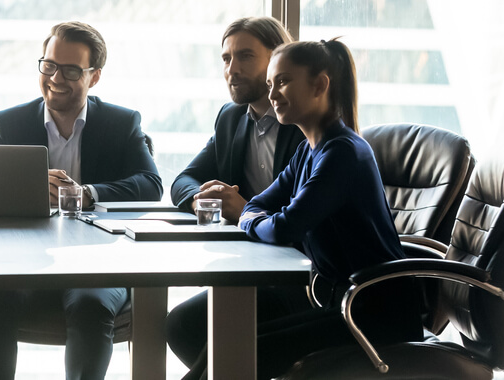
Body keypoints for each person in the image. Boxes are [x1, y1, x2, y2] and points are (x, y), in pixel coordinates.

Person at [180, 38, 424, 380]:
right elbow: (265, 204)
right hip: (338, 303)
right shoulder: (310, 150)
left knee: (232, 354)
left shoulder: (342, 154)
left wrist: (247, 216)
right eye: (270, 84)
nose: (273, 93)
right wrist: (254, 213)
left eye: (282, 82)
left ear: (320, 84)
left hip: (373, 314)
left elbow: (284, 227)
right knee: (212, 342)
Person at [0, 21, 162, 380]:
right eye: (49, 65)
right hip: (22, 260)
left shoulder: (122, 123)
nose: (56, 77)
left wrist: (87, 194)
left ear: (94, 77)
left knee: (91, 306)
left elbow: (151, 184)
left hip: (97, 263)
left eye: (71, 70)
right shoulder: (9, 123)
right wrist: (28, 185)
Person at [163, 17, 310, 370]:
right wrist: (205, 197)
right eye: (226, 58)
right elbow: (183, 180)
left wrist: (245, 210)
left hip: (300, 278)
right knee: (182, 326)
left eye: (245, 56)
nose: (233, 69)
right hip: (250, 265)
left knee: (215, 341)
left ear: (277, 62)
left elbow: (307, 219)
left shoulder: (306, 126)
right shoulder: (231, 119)